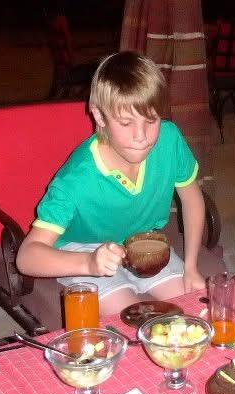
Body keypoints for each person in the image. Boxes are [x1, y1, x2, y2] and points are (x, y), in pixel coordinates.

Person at [16, 51, 206, 316]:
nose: (141, 136)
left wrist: (192, 266)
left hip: (142, 241)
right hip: (83, 248)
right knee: (135, 320)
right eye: (126, 123)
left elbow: (192, 198)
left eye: (151, 120)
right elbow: (26, 257)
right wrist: (89, 263)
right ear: (100, 117)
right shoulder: (77, 178)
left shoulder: (170, 139)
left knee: (196, 308)